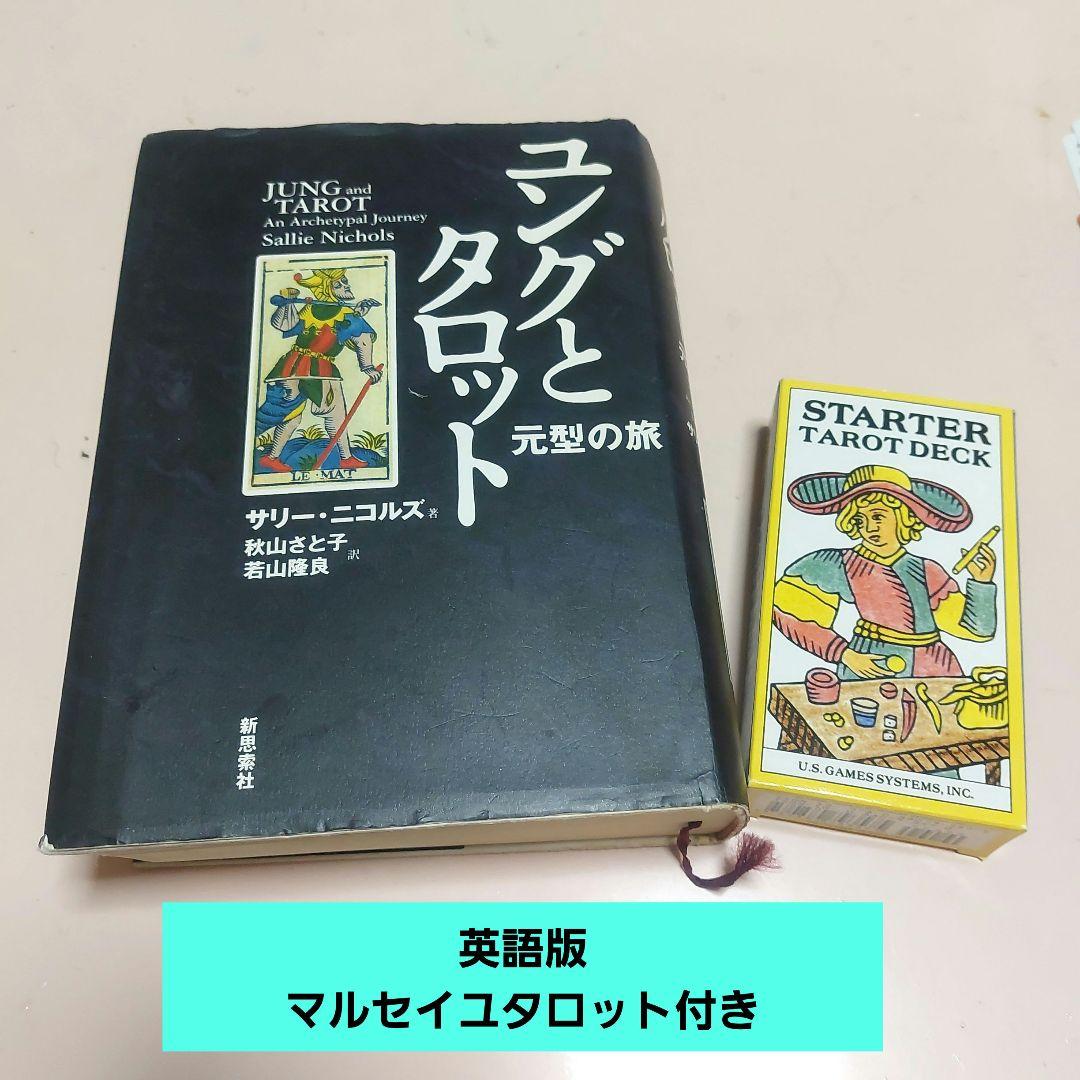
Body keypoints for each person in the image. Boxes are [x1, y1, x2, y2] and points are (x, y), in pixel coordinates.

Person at [773, 464, 997, 681]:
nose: (869, 527)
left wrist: (981, 582)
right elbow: (788, 613)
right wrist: (843, 653)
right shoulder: (834, 563)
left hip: (936, 670)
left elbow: (976, 631)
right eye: (860, 519)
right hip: (870, 667)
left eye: (878, 516)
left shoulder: (928, 570)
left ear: (905, 517)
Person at [256, 267, 382, 473]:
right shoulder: (345, 314)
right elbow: (363, 340)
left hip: (288, 368)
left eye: (345, 282)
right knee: (336, 415)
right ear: (327, 289)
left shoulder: (310, 310)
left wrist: (287, 305)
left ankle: (272, 458)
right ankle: (346, 458)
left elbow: (284, 325)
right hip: (319, 371)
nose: (346, 286)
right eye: (339, 284)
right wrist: (367, 367)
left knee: (291, 416)